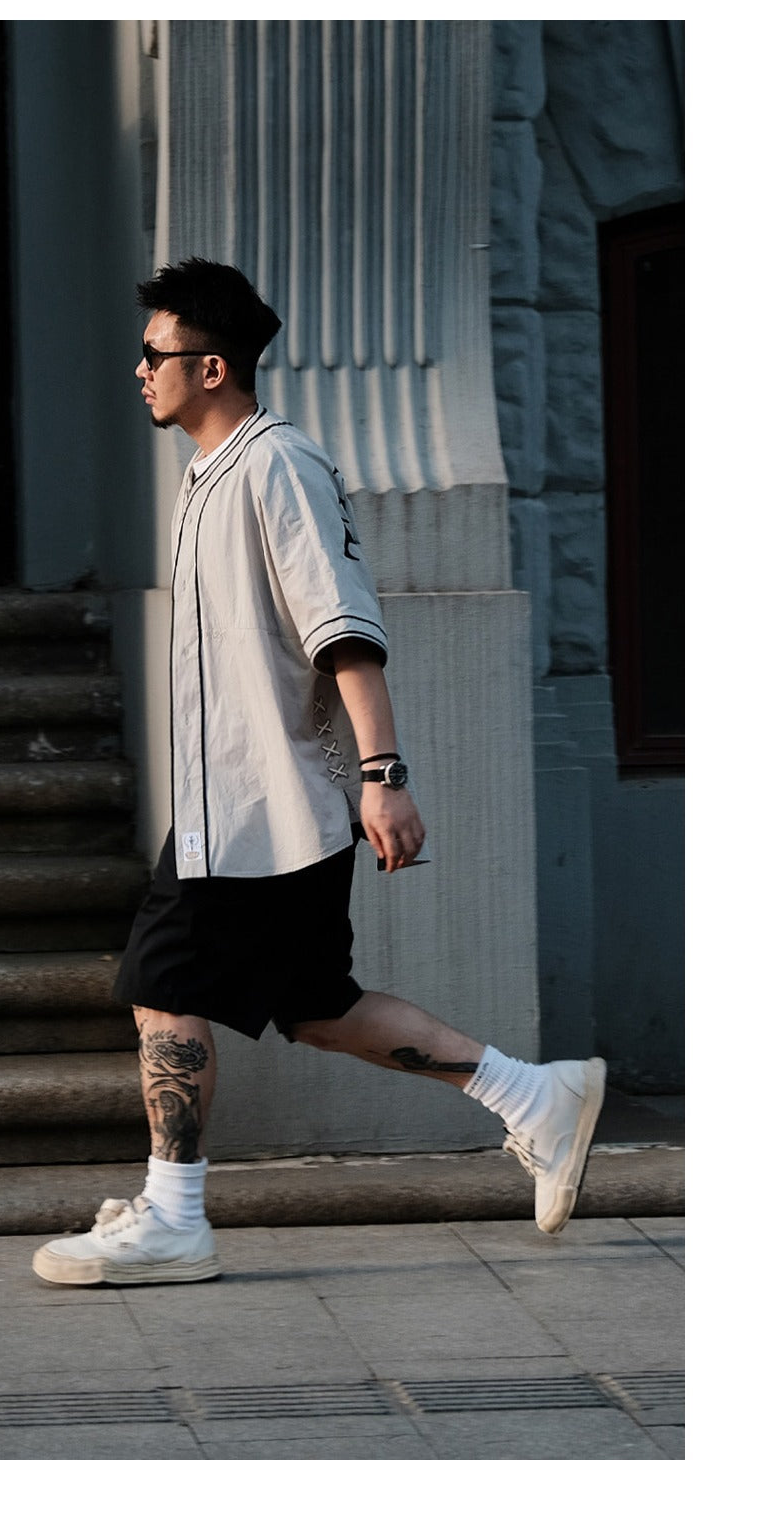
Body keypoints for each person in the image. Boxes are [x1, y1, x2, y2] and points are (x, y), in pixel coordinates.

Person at [31, 258, 604, 1288]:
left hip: (258, 807)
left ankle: (174, 1216)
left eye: (155, 353)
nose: (139, 369)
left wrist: (384, 771)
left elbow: (342, 628)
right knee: (315, 1006)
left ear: (212, 367)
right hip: (240, 807)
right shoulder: (211, 474)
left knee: (160, 987)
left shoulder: (276, 465)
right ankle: (532, 1095)